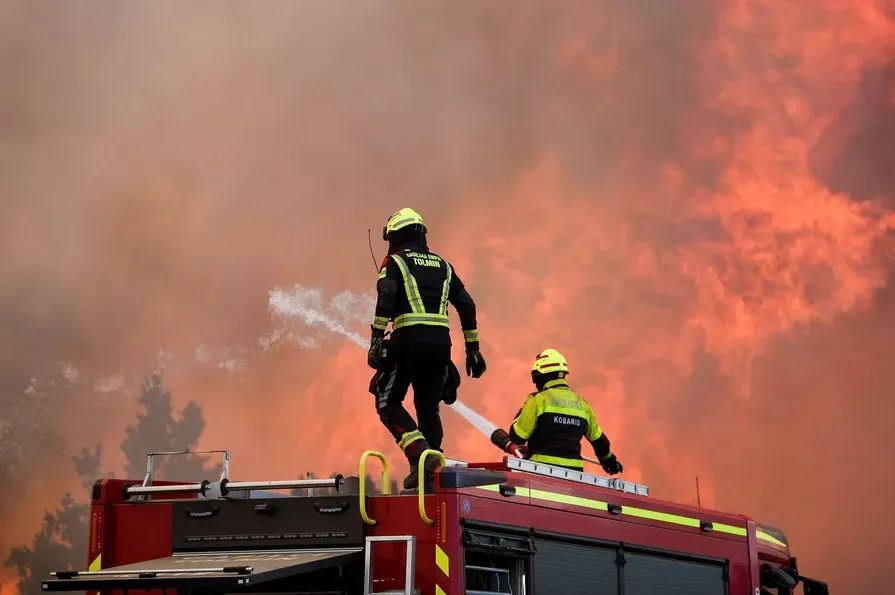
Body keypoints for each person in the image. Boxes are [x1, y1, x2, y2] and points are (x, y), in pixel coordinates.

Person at [368, 208, 487, 491]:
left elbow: (386, 295)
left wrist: (375, 337)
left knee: (387, 402)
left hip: (407, 341)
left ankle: (420, 455)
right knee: (427, 405)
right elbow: (467, 304)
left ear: (395, 236)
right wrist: (473, 349)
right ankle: (430, 470)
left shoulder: (395, 262)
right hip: (440, 347)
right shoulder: (444, 266)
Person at [491, 348, 622, 474]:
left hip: (540, 471)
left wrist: (523, 410)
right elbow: (601, 442)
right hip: (574, 475)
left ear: (539, 377)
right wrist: (609, 461)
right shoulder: (582, 405)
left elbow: (517, 437)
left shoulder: (538, 400)